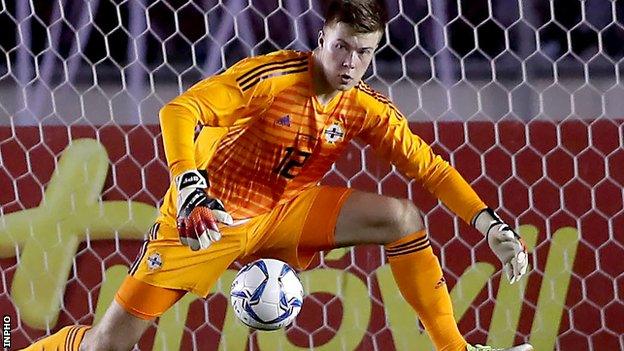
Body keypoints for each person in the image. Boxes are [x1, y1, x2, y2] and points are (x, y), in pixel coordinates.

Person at [23, 1, 532, 350]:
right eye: (341, 47)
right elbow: (179, 111)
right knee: (108, 344)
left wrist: (491, 227)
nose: (351, 63)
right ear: (322, 38)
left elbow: (431, 169)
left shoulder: (365, 108)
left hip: (284, 213)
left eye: (365, 52)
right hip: (207, 218)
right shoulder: (271, 79)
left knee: (401, 218)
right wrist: (190, 185)